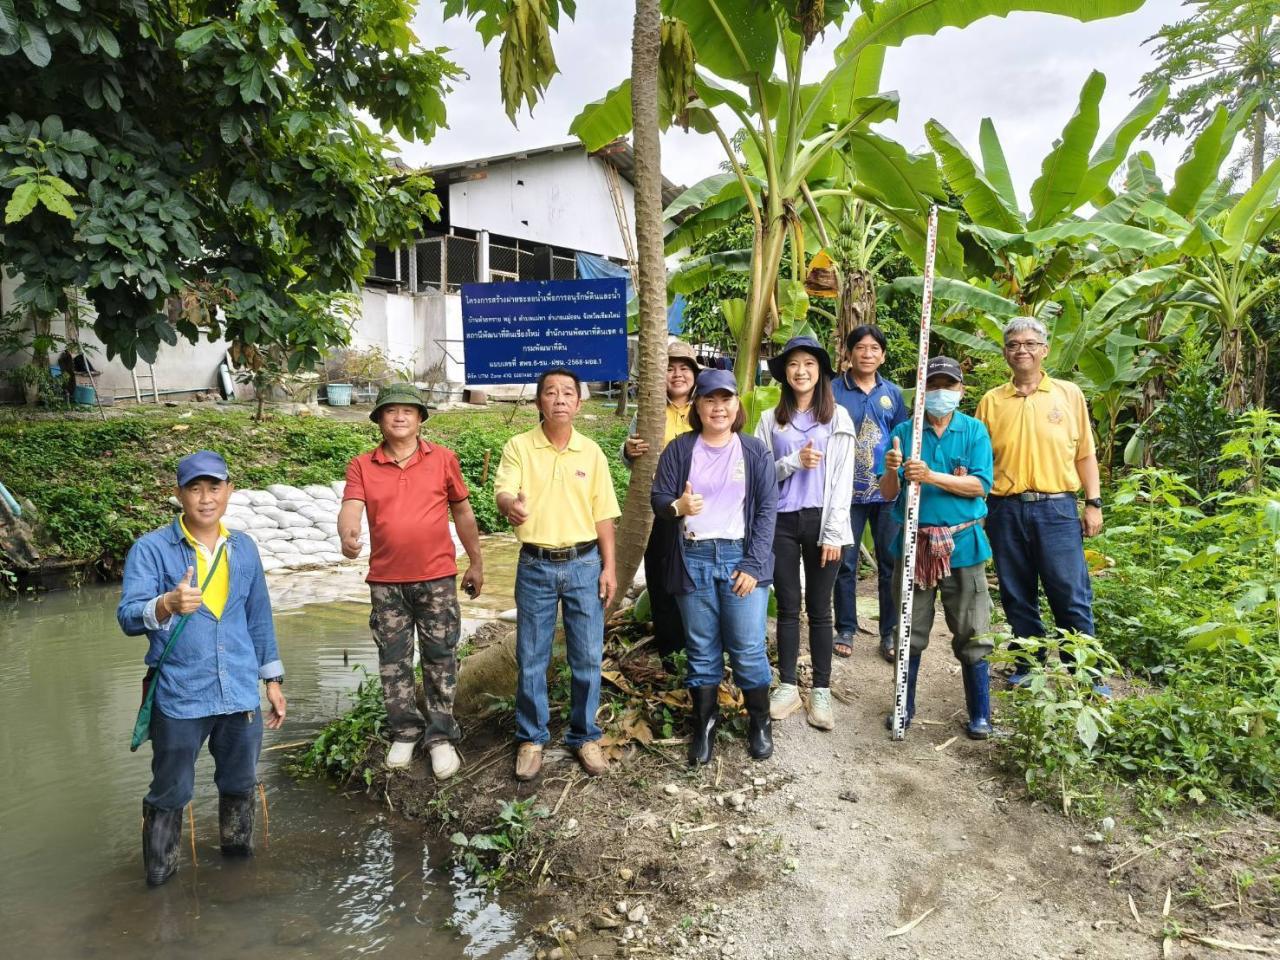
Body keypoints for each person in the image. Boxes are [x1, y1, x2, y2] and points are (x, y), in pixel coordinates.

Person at [117, 450, 286, 887]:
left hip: (238, 691)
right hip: (180, 693)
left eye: (214, 487)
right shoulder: (151, 550)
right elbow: (127, 616)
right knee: (170, 790)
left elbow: (258, 616)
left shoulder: (243, 548)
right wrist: (166, 603)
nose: (206, 498)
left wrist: (272, 679)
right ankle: (160, 880)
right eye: (195, 488)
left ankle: (238, 873)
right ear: (178, 495)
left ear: (229, 491)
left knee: (240, 781)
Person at [338, 383, 484, 780]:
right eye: (391, 411)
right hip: (386, 582)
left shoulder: (443, 460)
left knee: (440, 657)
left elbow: (463, 513)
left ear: (420, 419)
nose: (399, 417)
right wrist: (347, 534)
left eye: (408, 410)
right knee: (393, 660)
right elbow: (351, 506)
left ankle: (440, 737)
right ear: (379, 420)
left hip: (436, 578)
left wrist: (476, 561)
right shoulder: (362, 465)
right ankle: (404, 730)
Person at [494, 368, 621, 781]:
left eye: (568, 393)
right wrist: (511, 505)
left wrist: (610, 569)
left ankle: (584, 735)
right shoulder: (519, 446)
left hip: (585, 564)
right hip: (535, 564)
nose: (560, 399)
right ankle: (531, 738)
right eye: (551, 392)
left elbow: (604, 515)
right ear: (539, 403)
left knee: (586, 656)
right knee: (532, 657)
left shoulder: (592, 452)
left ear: (579, 404)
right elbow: (503, 492)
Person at [651, 368, 778, 766]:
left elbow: (767, 511)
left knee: (748, 648)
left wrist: (754, 564)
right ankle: (704, 725)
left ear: (736, 405)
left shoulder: (754, 451)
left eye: (725, 399)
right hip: (693, 559)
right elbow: (659, 498)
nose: (717, 407)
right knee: (702, 651)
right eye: (709, 399)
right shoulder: (679, 449)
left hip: (740, 559)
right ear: (698, 406)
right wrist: (678, 507)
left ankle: (760, 722)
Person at [975, 317, 1107, 694]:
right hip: (1004, 508)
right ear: (1005, 353)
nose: (1022, 350)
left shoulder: (1068, 395)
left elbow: (1085, 454)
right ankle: (1028, 665)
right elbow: (981, 460)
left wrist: (1093, 503)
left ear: (1044, 350)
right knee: (1017, 593)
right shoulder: (992, 401)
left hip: (1057, 509)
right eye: (1014, 344)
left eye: (1031, 343)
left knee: (1070, 592)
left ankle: (1087, 673)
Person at [880, 358, 995, 739]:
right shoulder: (904, 431)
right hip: (914, 543)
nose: (941, 393)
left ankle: (981, 714)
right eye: (933, 385)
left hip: (963, 545)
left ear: (961, 391)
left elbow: (980, 485)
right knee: (909, 629)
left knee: (973, 631)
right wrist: (892, 469)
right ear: (922, 390)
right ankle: (903, 707)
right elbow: (888, 494)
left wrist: (930, 476)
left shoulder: (974, 431)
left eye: (949, 385)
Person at [755, 336, 856, 731]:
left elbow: (843, 481)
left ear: (821, 373)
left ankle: (821, 690)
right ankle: (788, 685)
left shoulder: (838, 419)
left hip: (821, 521)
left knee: (819, 606)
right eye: (794, 364)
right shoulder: (770, 419)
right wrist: (793, 461)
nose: (801, 371)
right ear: (784, 373)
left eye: (809, 364)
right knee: (787, 603)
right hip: (779, 520)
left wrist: (833, 533)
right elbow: (761, 475)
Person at [831, 325, 909, 662]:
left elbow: (902, 437)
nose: (867, 354)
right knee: (844, 563)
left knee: (890, 562)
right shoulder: (832, 390)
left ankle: (889, 632)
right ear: (848, 353)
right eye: (860, 347)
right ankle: (845, 627)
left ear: (883, 355)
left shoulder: (892, 393)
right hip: (845, 492)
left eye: (874, 348)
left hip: (887, 492)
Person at [621, 341, 699, 672]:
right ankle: (671, 655)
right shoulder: (648, 410)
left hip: (700, 509)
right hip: (660, 507)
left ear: (695, 374)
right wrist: (629, 450)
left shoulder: (706, 407)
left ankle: (699, 650)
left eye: (684, 368)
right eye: (670, 367)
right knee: (661, 579)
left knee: (697, 578)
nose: (677, 374)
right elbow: (628, 459)